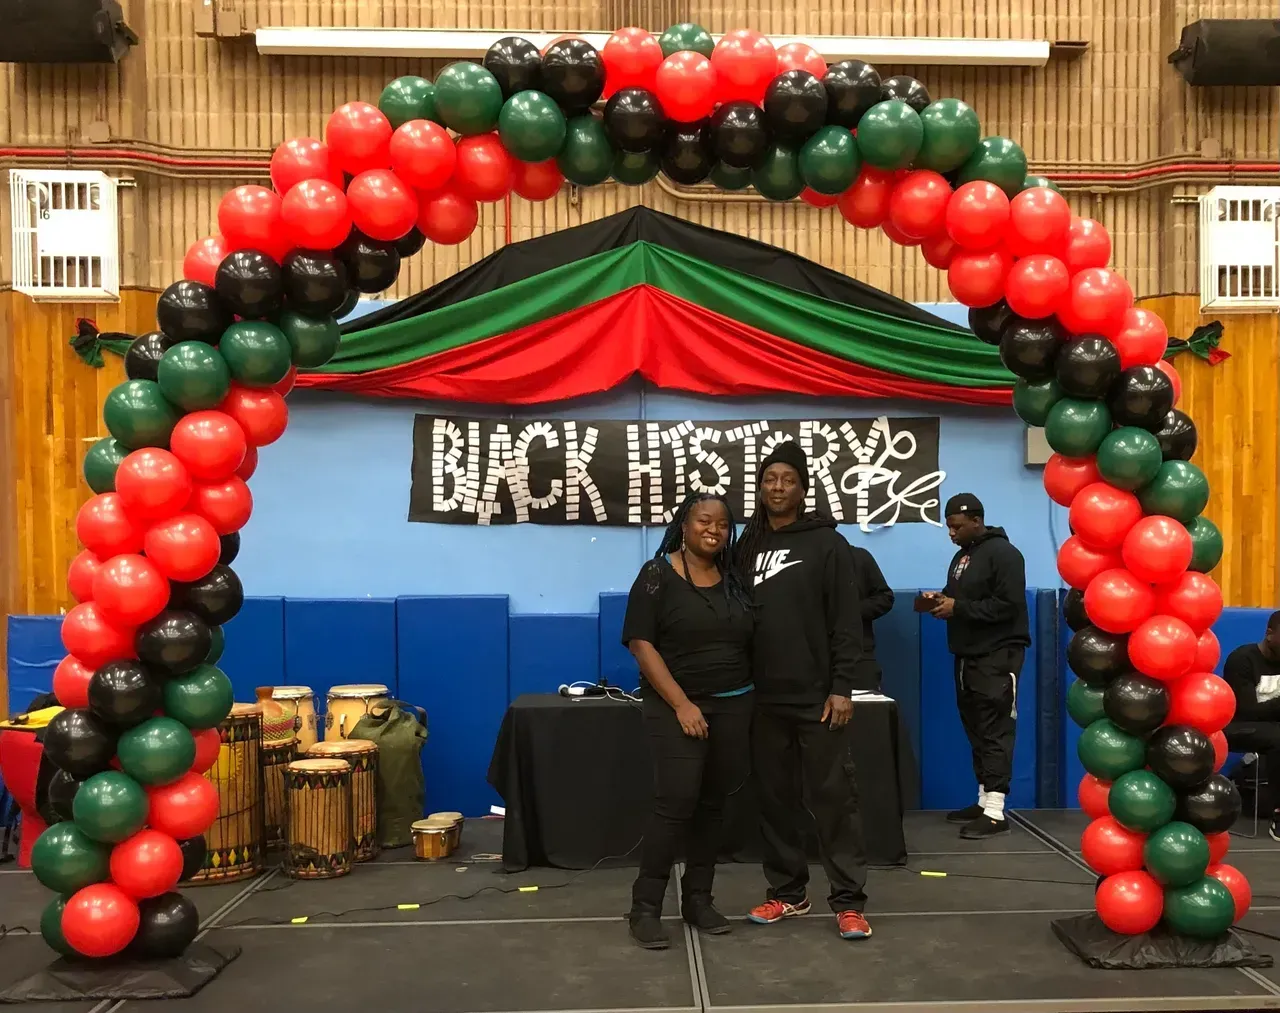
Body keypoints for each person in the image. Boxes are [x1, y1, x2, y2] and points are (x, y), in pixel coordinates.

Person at [735, 440, 873, 941]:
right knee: (775, 800)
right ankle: (788, 894)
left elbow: (845, 622)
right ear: (760, 486)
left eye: (787, 479)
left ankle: (849, 902)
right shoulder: (745, 545)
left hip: (818, 698)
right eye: (770, 478)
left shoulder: (827, 544)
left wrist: (843, 687)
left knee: (834, 799)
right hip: (761, 698)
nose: (777, 487)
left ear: (801, 487)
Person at [621, 492, 756, 949]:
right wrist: (681, 704)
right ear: (684, 524)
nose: (713, 529)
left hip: (734, 703)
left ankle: (698, 899)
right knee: (676, 802)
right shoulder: (658, 573)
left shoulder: (733, 576)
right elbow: (640, 642)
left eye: (722, 523)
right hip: (676, 705)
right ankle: (645, 907)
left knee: (713, 804)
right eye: (704, 520)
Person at [924, 493, 1029, 840]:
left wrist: (959, 608)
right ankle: (985, 801)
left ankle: (997, 812)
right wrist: (940, 600)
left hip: (998, 655)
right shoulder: (961, 558)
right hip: (966, 655)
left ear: (975, 520)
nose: (950, 533)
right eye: (949, 527)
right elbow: (962, 598)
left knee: (996, 729)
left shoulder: (1005, 554)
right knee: (976, 729)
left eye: (955, 526)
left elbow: (1009, 606)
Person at [1222, 612, 1280, 841]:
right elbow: (1247, 711)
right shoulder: (1242, 660)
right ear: (1269, 634)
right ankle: (1278, 814)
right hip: (1239, 727)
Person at [849, 543, 895, 691]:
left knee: (865, 711)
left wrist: (850, 612)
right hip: (810, 658)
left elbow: (885, 598)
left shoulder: (858, 556)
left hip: (858, 654)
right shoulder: (799, 558)